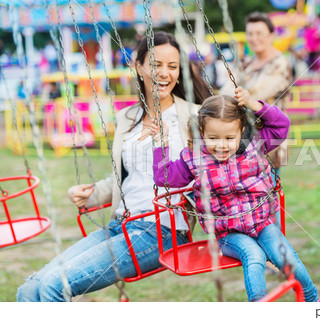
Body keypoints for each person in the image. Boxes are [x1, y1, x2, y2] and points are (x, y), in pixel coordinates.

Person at [16, 31, 210, 302]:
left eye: (172, 66)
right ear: (139, 67)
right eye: (156, 65)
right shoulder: (127, 117)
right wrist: (91, 194)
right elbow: (126, 177)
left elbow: (220, 164)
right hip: (121, 225)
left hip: (162, 231)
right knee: (29, 289)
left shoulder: (194, 115)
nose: (164, 73)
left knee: (53, 286)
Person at [150, 87, 319, 302]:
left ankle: (312, 301)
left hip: (262, 223)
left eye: (230, 138)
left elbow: (281, 125)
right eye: (213, 138)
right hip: (228, 234)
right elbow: (165, 178)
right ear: (202, 133)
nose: (221, 145)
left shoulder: (254, 145)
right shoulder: (193, 159)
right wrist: (161, 144)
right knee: (254, 256)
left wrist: (253, 104)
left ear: (241, 132)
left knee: (285, 255)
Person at [220, 12, 292, 228]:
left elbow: (256, 92)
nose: (254, 38)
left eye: (259, 33)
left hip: (269, 140)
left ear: (271, 35)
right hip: (245, 142)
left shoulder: (280, 63)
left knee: (267, 200)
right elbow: (225, 91)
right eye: (250, 33)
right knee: (248, 200)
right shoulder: (248, 63)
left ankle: (275, 254)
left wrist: (235, 94)